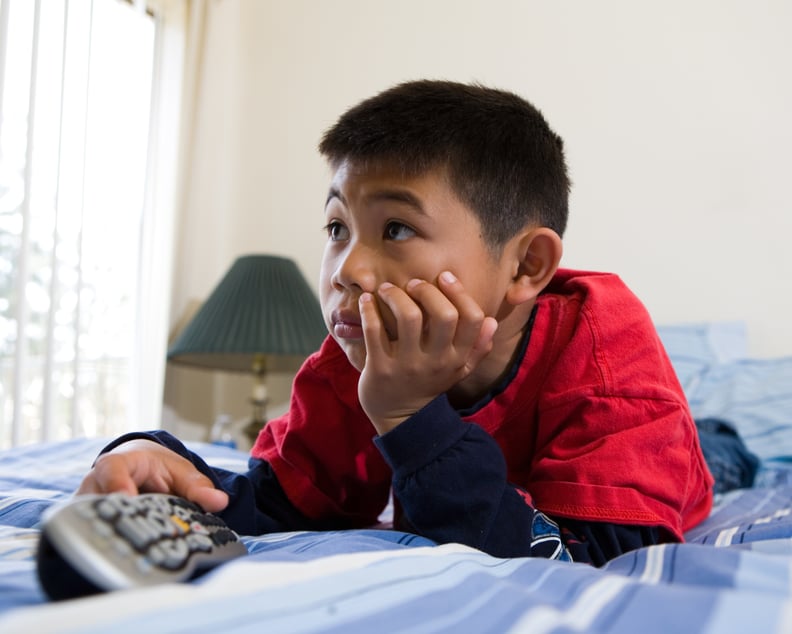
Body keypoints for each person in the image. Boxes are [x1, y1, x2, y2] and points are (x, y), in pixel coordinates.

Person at [78, 80, 713, 566]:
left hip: (659, 465)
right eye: (336, 228)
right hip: (508, 474)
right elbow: (283, 501)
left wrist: (408, 417)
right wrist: (154, 457)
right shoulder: (354, 354)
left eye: (398, 229)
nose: (346, 269)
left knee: (719, 449)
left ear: (526, 264)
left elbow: (592, 560)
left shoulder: (606, 356)